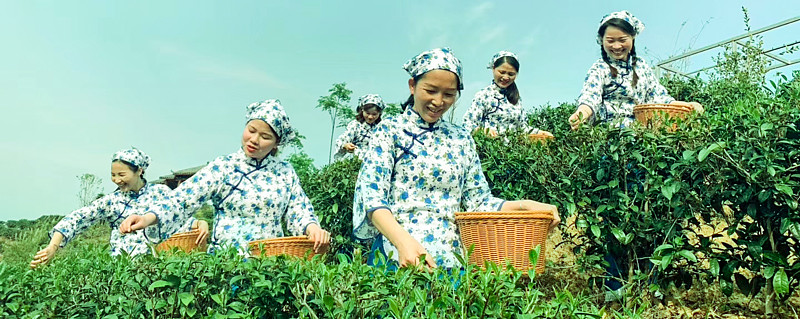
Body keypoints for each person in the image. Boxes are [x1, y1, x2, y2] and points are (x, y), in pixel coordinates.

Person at [352, 47, 561, 269]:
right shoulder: (389, 131)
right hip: (396, 255)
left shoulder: (461, 138)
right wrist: (403, 243)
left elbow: (478, 202)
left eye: (449, 94)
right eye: (430, 90)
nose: (439, 101)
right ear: (412, 86)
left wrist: (524, 206)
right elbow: (372, 197)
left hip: (450, 259)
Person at [119, 100, 330, 255]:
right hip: (226, 261)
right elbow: (183, 198)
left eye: (265, 137)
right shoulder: (224, 166)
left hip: (268, 263)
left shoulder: (284, 172)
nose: (254, 140)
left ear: (276, 143)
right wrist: (147, 218)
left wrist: (313, 229)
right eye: (251, 130)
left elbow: (299, 209)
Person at [30, 148, 208, 268]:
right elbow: (77, 219)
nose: (116, 180)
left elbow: (176, 218)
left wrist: (200, 223)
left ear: (139, 171)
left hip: (160, 268)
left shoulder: (160, 192)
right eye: (113, 175)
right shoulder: (111, 202)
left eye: (122, 174)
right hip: (124, 270)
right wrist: (53, 246)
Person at [568, 11, 704, 130]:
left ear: (632, 38)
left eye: (622, 40)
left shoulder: (641, 66)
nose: (616, 46)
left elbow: (658, 96)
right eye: (610, 41)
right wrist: (581, 114)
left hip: (641, 135)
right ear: (601, 40)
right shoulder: (599, 68)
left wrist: (686, 106)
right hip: (610, 138)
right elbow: (590, 97)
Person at [463, 51, 552, 138]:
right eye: (502, 72)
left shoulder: (516, 99)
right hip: (488, 150)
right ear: (493, 69)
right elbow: (468, 125)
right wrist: (483, 131)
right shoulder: (483, 95)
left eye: (511, 74)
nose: (506, 77)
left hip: (514, 151)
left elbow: (522, 127)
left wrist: (541, 132)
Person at [334, 94, 385, 161]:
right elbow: (342, 139)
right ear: (362, 111)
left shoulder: (381, 128)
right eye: (367, 113)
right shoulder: (355, 125)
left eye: (374, 114)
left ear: (379, 113)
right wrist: (345, 145)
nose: (370, 117)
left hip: (375, 161)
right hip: (356, 160)